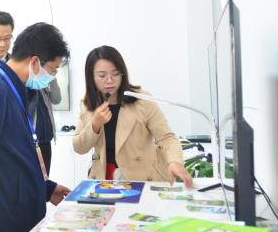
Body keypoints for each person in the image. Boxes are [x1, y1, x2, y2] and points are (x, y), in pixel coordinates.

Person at [0, 22, 71, 232]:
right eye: (52, 70)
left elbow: (14, 155)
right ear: (34, 62)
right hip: (2, 227)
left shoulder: (15, 89)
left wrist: (46, 189)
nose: (51, 77)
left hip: (20, 221)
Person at [72, 45, 193, 187]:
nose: (109, 80)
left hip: (142, 178)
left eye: (116, 74)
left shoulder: (142, 99)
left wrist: (174, 162)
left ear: (122, 74)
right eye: (102, 76)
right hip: (104, 180)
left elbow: (166, 138)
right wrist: (95, 124)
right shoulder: (87, 104)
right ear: (91, 77)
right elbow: (79, 147)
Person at [28, 78, 62, 175]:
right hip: (32, 143)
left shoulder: (43, 83)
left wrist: (52, 78)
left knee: (45, 177)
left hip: (46, 140)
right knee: (34, 178)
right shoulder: (27, 83)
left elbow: (56, 100)